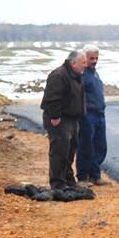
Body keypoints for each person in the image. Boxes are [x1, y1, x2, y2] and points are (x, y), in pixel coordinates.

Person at [40, 49, 88, 191]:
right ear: (73, 63)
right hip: (60, 119)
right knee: (59, 151)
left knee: (70, 151)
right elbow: (53, 98)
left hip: (72, 119)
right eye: (83, 63)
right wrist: (55, 117)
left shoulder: (76, 75)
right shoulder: (59, 75)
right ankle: (58, 183)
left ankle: (68, 180)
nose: (85, 65)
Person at [74, 45, 109, 186]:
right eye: (91, 58)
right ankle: (82, 177)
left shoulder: (95, 73)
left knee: (100, 146)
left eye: (96, 58)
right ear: (85, 58)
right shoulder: (82, 75)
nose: (94, 61)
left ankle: (95, 175)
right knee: (85, 146)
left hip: (100, 115)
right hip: (88, 116)